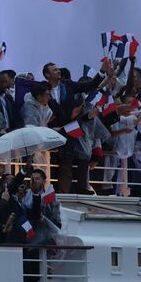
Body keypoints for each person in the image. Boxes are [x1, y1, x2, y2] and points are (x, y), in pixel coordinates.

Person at [43, 58, 108, 192]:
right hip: (50, 131)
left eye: (58, 68)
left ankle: (66, 195)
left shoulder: (68, 85)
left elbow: (90, 85)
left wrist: (102, 71)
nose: (58, 70)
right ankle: (50, 193)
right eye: (54, 69)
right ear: (47, 75)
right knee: (48, 165)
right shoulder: (42, 88)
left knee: (67, 165)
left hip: (69, 130)